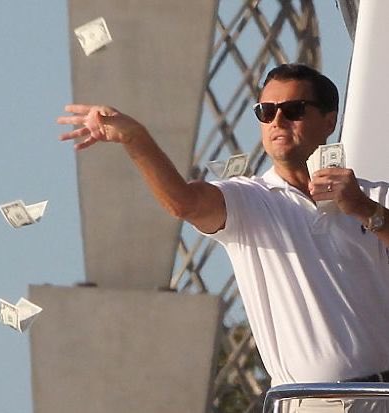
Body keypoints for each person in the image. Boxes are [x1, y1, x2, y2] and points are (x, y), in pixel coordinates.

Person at [56, 64, 389, 389]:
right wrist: (135, 139)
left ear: (329, 121)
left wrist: (364, 209)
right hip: (310, 400)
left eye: (294, 110)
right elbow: (183, 203)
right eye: (266, 112)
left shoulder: (374, 195)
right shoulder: (249, 198)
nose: (277, 121)